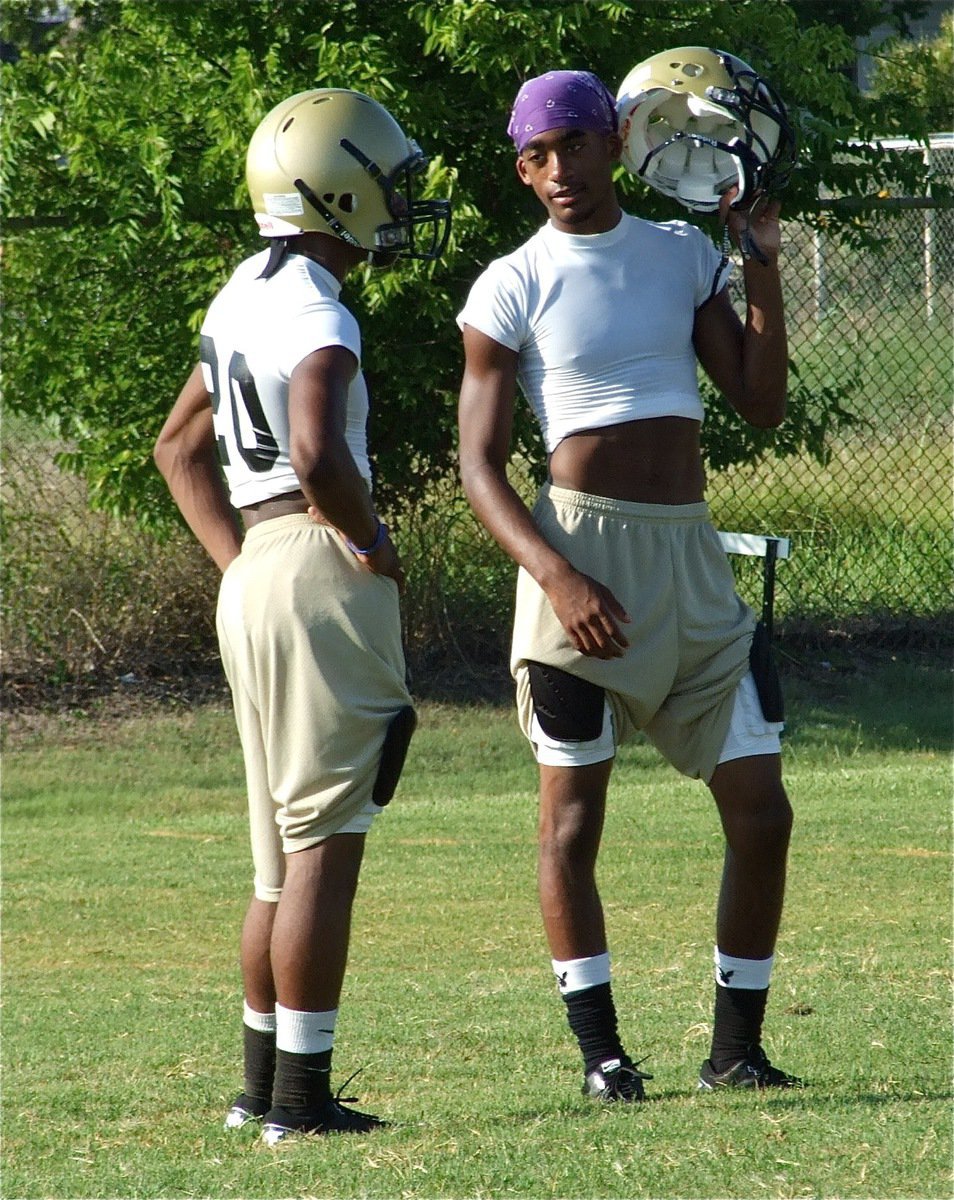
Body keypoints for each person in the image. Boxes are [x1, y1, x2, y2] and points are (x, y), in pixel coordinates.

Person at [456, 69, 800, 1103]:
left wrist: (764, 269)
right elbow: (478, 466)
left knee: (763, 811)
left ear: (618, 141)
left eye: (575, 144)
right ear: (524, 171)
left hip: (688, 559)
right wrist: (557, 578)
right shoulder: (508, 284)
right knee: (571, 823)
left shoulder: (680, 252)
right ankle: (603, 1055)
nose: (559, 169)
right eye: (537, 156)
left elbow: (760, 402)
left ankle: (736, 1051)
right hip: (578, 560)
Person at [154, 87, 450, 1144]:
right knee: (326, 839)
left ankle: (258, 1087)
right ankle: (299, 1101)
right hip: (317, 559)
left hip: (259, 567)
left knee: (277, 860)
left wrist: (244, 566)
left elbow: (179, 449)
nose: (402, 201)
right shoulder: (322, 309)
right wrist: (366, 543)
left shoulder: (240, 290)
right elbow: (321, 453)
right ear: (339, 186)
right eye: (390, 181)